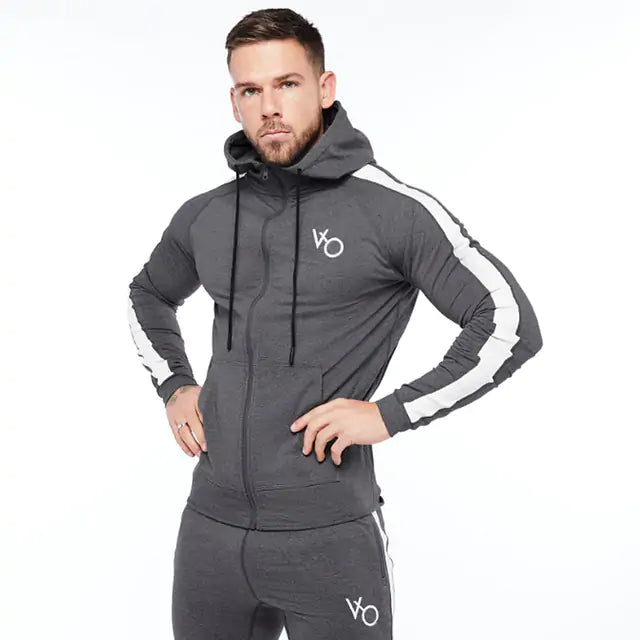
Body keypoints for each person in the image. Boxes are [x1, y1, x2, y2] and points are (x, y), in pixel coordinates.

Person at [127, 8, 543, 639]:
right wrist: (174, 384)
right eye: (251, 90)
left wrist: (388, 414)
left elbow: (509, 324)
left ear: (324, 88)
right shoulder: (206, 215)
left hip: (330, 539)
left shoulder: (393, 212)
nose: (270, 106)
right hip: (210, 531)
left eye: (287, 84)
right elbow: (148, 293)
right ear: (234, 102)